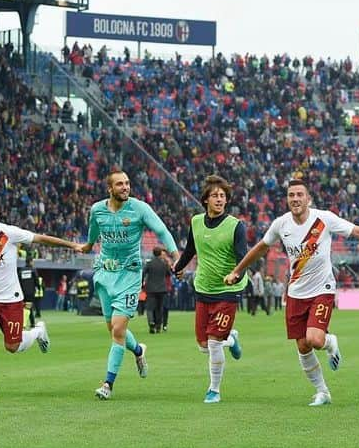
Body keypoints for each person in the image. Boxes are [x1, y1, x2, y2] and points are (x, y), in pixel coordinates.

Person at [225, 179, 359, 406]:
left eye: (299, 194)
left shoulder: (323, 219)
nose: (295, 199)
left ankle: (330, 342)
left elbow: (356, 231)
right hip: (295, 292)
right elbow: (261, 248)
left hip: (322, 289)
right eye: (291, 195)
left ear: (308, 198)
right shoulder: (281, 224)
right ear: (287, 199)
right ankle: (322, 392)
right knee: (303, 346)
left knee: (314, 339)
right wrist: (237, 270)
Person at [0, 197, 83, 397]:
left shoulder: (9, 233)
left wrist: (73, 245)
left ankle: (37, 332)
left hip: (11, 299)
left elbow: (41, 238)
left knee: (13, 346)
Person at [80, 171, 180, 401]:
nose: (125, 187)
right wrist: (87, 246)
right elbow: (93, 234)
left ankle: (107, 384)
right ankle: (138, 350)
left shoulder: (139, 208)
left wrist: (176, 257)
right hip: (105, 273)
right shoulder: (97, 210)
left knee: (117, 330)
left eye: (127, 183)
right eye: (120, 184)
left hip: (129, 275)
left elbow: (162, 230)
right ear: (110, 189)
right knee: (114, 329)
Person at [172, 175, 246, 404]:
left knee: (213, 343)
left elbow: (243, 258)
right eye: (215, 195)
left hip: (227, 291)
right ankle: (231, 340)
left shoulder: (236, 226)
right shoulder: (195, 222)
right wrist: (178, 267)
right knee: (204, 345)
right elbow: (190, 250)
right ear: (205, 200)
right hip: (203, 289)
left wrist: (237, 275)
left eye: (223, 196)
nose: (219, 199)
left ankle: (214, 390)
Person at [142, 247, 172, 334]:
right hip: (162, 289)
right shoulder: (164, 264)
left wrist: (141, 283)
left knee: (150, 308)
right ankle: (158, 326)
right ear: (160, 254)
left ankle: (151, 322)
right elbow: (168, 274)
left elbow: (143, 273)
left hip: (151, 289)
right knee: (159, 308)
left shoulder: (149, 263)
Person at [17, 253, 38, 329]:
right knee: (28, 308)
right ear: (30, 261)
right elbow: (36, 281)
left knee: (25, 308)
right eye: (33, 261)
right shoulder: (33, 270)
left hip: (22, 292)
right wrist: (37, 287)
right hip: (30, 292)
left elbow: (18, 281)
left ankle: (31, 323)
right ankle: (24, 324)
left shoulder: (21, 270)